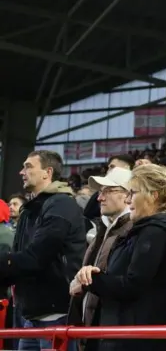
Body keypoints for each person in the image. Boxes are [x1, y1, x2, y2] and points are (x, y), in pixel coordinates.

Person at [71, 164, 166, 351]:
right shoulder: (146, 230)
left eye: (132, 193)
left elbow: (132, 285)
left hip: (136, 337)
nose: (128, 200)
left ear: (153, 196)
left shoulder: (154, 232)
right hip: (131, 333)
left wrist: (91, 280)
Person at [1, 150, 86, 351]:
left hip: (56, 313)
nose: (22, 172)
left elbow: (37, 257)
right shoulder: (32, 208)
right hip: (32, 314)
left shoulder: (61, 204)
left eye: (28, 167)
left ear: (47, 172)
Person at [67, 167, 133, 351]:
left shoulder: (133, 230)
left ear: (128, 194)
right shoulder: (104, 228)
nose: (99, 198)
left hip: (113, 333)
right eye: (100, 192)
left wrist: (87, 282)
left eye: (107, 191)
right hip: (93, 330)